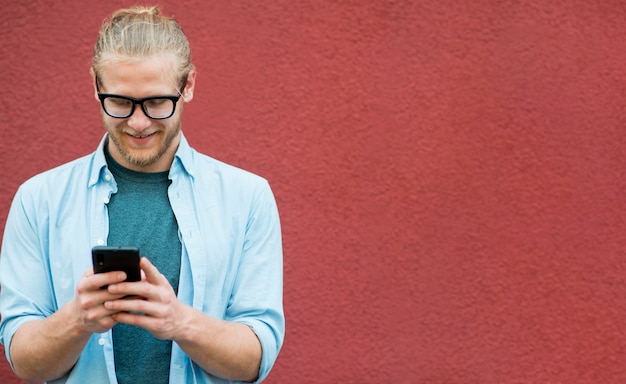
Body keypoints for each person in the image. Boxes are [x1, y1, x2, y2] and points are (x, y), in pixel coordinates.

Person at [0, 6, 284, 384]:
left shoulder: (248, 199)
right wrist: (78, 320)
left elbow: (257, 358)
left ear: (189, 86)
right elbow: (23, 362)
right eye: (119, 102)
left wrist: (180, 321)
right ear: (96, 85)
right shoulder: (38, 200)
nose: (137, 122)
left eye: (155, 102)